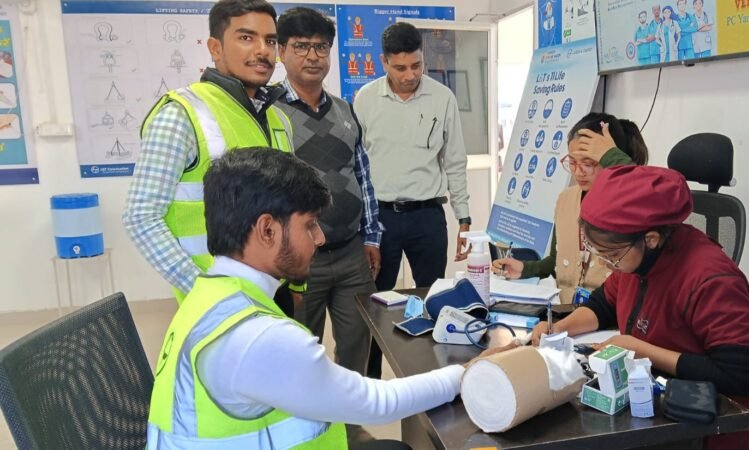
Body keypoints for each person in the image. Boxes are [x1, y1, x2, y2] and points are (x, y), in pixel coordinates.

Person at [146, 148, 518, 450]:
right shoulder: (258, 338)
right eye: (309, 224)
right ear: (267, 230)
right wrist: (467, 372)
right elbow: (377, 402)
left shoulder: (208, 295)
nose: (320, 238)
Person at [530, 165, 749, 450]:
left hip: (712, 431)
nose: (607, 264)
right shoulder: (635, 260)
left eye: (611, 255)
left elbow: (743, 377)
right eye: (598, 253)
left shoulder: (711, 279)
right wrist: (560, 328)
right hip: (659, 410)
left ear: (651, 239)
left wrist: (639, 349)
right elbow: (604, 304)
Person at [122, 0, 302, 313]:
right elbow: (140, 216)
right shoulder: (181, 115)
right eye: (246, 37)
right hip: (219, 300)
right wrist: (202, 289)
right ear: (215, 48)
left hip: (274, 289)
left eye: (270, 41)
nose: (263, 50)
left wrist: (296, 282)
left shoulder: (278, 119)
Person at [354, 22, 471, 378]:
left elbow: (455, 161)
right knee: (376, 301)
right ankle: (372, 380)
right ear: (384, 62)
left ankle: (429, 376)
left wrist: (464, 218)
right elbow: (357, 167)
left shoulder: (442, 98)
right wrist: (364, 226)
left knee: (432, 300)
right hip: (381, 220)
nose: (410, 75)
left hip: (427, 217)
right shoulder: (365, 99)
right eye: (400, 67)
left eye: (416, 65)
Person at [274, 7, 380, 383]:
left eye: (321, 47)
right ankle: (308, 419)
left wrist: (371, 236)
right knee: (301, 352)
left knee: (357, 346)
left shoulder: (345, 110)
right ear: (281, 51)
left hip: (351, 254)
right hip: (300, 259)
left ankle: (350, 416)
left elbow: (362, 176)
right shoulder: (269, 112)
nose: (313, 56)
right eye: (301, 46)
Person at [491, 113, 648, 304]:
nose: (578, 172)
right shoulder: (566, 199)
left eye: (588, 163)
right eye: (572, 162)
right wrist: (525, 269)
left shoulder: (632, 204)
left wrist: (614, 157)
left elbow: (643, 186)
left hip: (609, 312)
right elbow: (557, 260)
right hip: (565, 309)